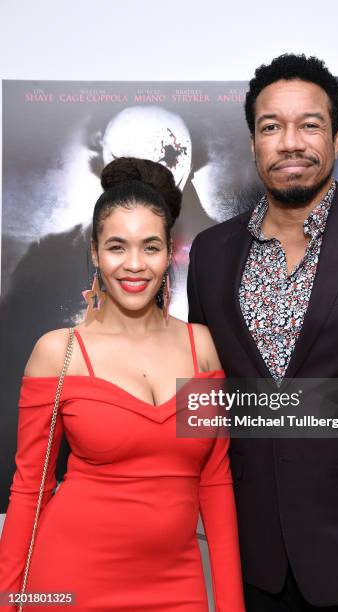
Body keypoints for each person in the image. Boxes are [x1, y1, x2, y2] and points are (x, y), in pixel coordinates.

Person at [187, 53, 338, 611]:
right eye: (272, 126)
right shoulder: (212, 252)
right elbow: (209, 394)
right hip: (254, 553)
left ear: (337, 139)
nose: (290, 141)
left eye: (309, 124)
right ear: (253, 142)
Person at [0, 157, 245, 611]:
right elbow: (30, 490)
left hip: (178, 585)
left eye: (150, 247)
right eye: (117, 247)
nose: (134, 265)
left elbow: (214, 483)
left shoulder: (201, 347)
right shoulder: (59, 352)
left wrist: (231, 605)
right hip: (70, 582)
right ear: (94, 251)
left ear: (169, 251)